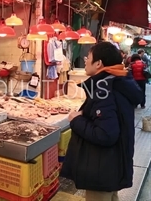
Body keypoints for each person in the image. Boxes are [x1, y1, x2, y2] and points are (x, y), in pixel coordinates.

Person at [60, 42, 143, 201]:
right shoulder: (117, 82)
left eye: (88, 57)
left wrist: (76, 119)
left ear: (99, 63)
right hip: (112, 166)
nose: (85, 60)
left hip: (101, 170)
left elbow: (105, 134)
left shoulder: (104, 89)